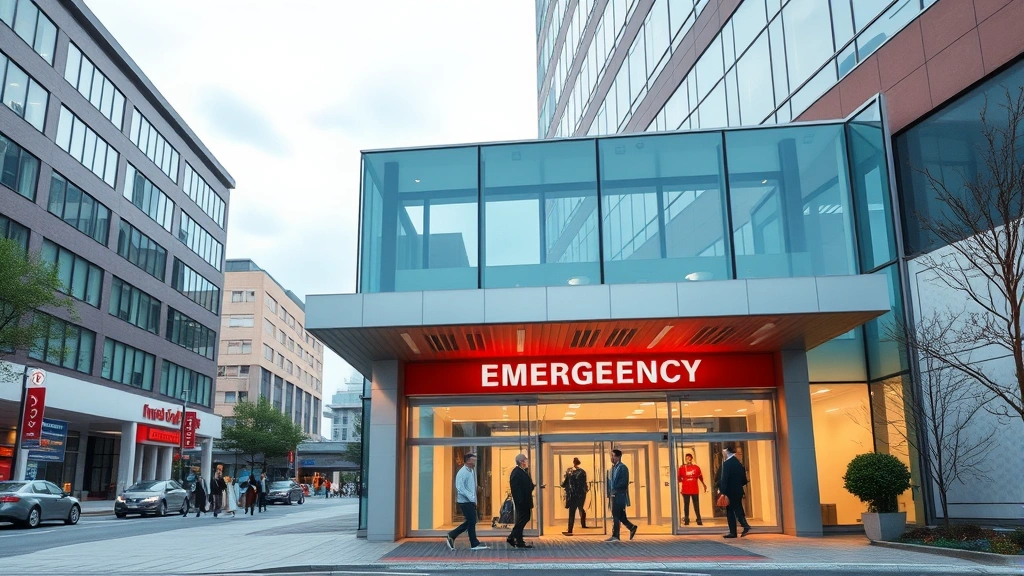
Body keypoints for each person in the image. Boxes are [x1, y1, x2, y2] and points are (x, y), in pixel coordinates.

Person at [445, 453, 488, 551]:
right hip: (465, 501)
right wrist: (471, 497)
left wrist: (474, 500)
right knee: (472, 521)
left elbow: (472, 487)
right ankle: (456, 536)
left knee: (471, 521)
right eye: (473, 460)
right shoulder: (462, 472)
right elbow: (460, 488)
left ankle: (472, 541)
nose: (475, 462)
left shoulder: (471, 471)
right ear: (468, 460)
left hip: (470, 501)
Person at [717, 443, 751, 538]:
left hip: (729, 491)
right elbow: (744, 480)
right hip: (738, 490)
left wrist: (723, 492)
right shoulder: (739, 464)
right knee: (737, 508)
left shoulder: (727, 464)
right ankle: (743, 526)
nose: (723, 454)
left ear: (727, 452)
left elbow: (724, 479)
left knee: (731, 511)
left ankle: (736, 530)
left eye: (723, 452)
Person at [606, 448, 637, 542]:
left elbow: (623, 483)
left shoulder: (623, 468)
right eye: (611, 455)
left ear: (618, 457)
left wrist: (615, 490)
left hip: (619, 495)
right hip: (613, 495)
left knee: (616, 515)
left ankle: (615, 535)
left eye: (613, 455)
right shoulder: (613, 468)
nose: (612, 457)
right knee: (621, 516)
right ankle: (632, 527)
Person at [507, 453, 536, 548]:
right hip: (522, 501)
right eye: (525, 460)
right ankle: (512, 537)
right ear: (521, 461)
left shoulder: (522, 472)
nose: (527, 462)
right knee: (524, 518)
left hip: (524, 500)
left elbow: (529, 485)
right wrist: (520, 501)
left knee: (523, 518)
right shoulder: (516, 472)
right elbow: (516, 488)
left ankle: (518, 540)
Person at [678, 453, 708, 526]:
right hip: (686, 488)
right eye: (687, 458)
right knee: (686, 505)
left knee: (696, 504)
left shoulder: (696, 468)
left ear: (691, 458)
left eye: (689, 457)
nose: (688, 459)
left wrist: (704, 484)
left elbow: (700, 477)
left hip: (694, 488)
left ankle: (698, 519)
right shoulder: (682, 468)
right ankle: (687, 519)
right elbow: (679, 478)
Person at [561, 457, 588, 535]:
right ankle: (583, 524)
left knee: (572, 512)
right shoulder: (583, 472)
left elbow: (564, 483)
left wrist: (562, 485)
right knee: (581, 508)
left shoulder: (569, 471)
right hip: (581, 494)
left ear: (573, 462)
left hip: (573, 494)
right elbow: (584, 483)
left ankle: (570, 530)